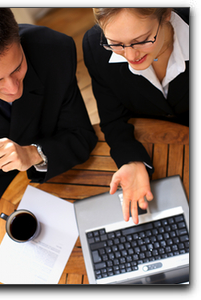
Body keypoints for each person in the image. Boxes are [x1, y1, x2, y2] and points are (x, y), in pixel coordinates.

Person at [0, 8, 98, 231]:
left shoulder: (53, 50)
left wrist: (34, 153)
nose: (13, 89)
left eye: (18, 68)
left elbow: (81, 136)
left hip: (62, 175)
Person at [83, 8, 189, 224]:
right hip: (155, 147)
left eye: (141, 40)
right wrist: (131, 159)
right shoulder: (95, 45)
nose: (131, 56)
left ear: (166, 13)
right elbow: (112, 119)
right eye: (116, 44)